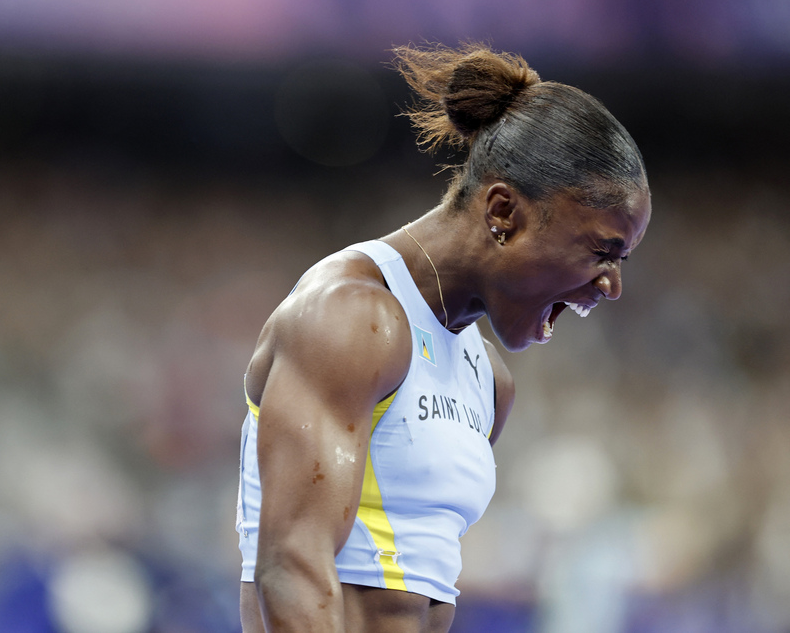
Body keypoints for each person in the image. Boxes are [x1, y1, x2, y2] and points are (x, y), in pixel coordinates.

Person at [235, 42, 651, 632]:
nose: (610, 286)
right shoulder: (351, 318)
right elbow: (291, 565)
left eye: (623, 261)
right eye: (602, 251)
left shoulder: (490, 381)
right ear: (504, 211)